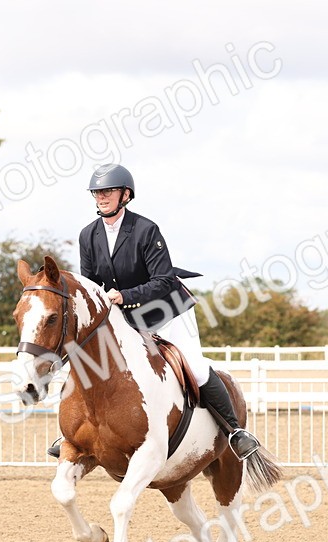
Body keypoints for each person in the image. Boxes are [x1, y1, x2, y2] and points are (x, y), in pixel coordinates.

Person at [47, 164, 261, 461]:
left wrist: (124, 295)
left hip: (167, 309)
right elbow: (91, 285)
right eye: (97, 192)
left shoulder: (146, 230)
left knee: (194, 367)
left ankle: (235, 432)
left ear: (125, 195)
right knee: (90, 364)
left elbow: (163, 281)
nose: (101, 197)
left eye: (107, 191)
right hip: (126, 315)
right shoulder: (88, 235)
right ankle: (75, 432)